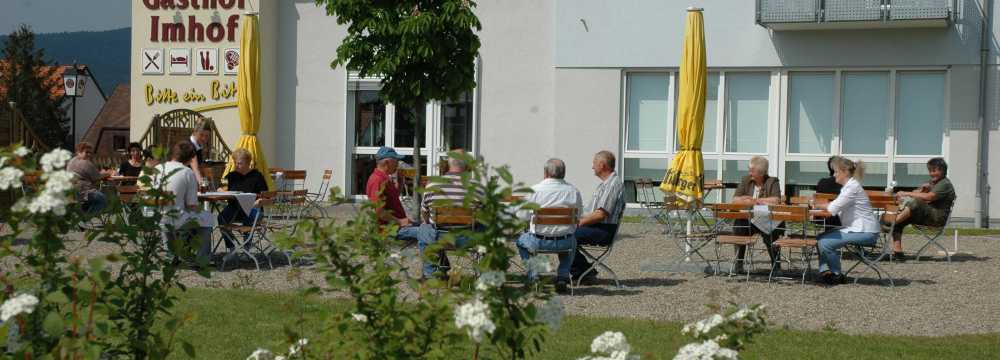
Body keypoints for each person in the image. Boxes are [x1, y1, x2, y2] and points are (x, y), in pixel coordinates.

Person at [516, 158, 583, 293]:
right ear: (564, 173)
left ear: (546, 173)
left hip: (538, 241)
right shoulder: (574, 191)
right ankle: (563, 276)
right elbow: (578, 216)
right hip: (566, 242)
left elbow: (521, 216)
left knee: (520, 241)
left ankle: (533, 276)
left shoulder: (534, 190)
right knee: (572, 240)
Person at [812, 157, 880, 285]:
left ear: (845, 172)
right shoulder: (849, 187)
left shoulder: (851, 188)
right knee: (820, 238)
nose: (834, 175)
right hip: (859, 228)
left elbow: (833, 208)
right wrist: (823, 205)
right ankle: (825, 272)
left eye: (836, 172)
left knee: (826, 243)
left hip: (866, 231)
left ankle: (836, 275)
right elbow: (835, 207)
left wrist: (817, 204)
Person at [417, 154, 480, 279]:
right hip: (468, 239)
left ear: (448, 166)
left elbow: (424, 212)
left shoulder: (433, 184)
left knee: (424, 229)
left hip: (440, 238)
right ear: (466, 167)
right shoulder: (477, 186)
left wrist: (429, 223)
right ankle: (484, 273)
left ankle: (430, 274)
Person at [366, 146, 436, 253]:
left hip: (398, 226)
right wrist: (400, 221)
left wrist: (400, 179)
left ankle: (438, 265)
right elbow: (378, 211)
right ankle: (432, 267)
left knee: (431, 227)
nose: (398, 163)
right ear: (388, 162)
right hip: (391, 229)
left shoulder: (385, 177)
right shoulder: (377, 180)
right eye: (396, 161)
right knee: (431, 233)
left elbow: (394, 196)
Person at [153, 141, 213, 263]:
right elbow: (192, 205)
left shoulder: (157, 169)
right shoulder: (187, 172)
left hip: (153, 216)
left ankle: (171, 254)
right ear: (190, 158)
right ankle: (202, 259)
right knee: (208, 218)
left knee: (168, 215)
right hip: (175, 219)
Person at [884, 157, 956, 259]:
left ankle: (891, 223)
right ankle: (898, 252)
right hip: (928, 215)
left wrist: (905, 193)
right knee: (901, 214)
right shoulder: (933, 183)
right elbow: (916, 193)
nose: (932, 173)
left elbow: (929, 197)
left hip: (937, 218)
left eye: (934, 170)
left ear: (943, 170)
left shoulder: (944, 184)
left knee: (916, 203)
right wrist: (921, 189)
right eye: (930, 171)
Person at [570, 150, 625, 283]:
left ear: (602, 165)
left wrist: (578, 223)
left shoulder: (613, 185)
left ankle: (582, 271)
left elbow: (601, 214)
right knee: (563, 234)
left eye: (594, 163)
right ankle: (584, 271)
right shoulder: (606, 184)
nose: (592, 167)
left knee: (564, 236)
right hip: (598, 227)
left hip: (603, 230)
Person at [730, 155, 783, 273]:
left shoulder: (772, 181)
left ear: (761, 172)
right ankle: (738, 265)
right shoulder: (746, 180)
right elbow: (735, 200)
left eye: (752, 170)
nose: (750, 172)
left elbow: (775, 200)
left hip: (767, 218)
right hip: (748, 219)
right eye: (749, 169)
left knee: (771, 232)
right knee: (739, 226)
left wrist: (753, 200)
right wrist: (759, 200)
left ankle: (776, 265)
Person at [218, 149, 269, 254]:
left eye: (240, 163)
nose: (237, 165)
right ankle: (231, 247)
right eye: (235, 162)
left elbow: (266, 195)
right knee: (221, 217)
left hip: (253, 208)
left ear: (248, 163)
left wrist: (258, 202)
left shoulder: (257, 176)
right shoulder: (232, 176)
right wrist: (222, 191)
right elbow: (230, 192)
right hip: (235, 208)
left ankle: (246, 248)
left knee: (248, 213)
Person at [67, 142, 112, 215]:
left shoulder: (71, 161)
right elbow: (97, 177)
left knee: (93, 201)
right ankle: (88, 217)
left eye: (90, 153)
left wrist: (101, 173)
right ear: (79, 152)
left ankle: (83, 215)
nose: (89, 154)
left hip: (73, 192)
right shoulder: (85, 163)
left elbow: (90, 174)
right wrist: (109, 173)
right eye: (86, 152)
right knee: (103, 198)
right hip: (85, 192)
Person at [815, 156, 843, 230]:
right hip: (844, 221)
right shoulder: (847, 184)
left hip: (826, 219)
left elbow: (819, 201)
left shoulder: (822, 182)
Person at [188, 119, 214, 186]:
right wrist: (203, 185)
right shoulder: (189, 146)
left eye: (207, 136)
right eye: (201, 135)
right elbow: (195, 169)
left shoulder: (198, 146)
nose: (204, 139)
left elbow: (200, 168)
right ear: (195, 132)